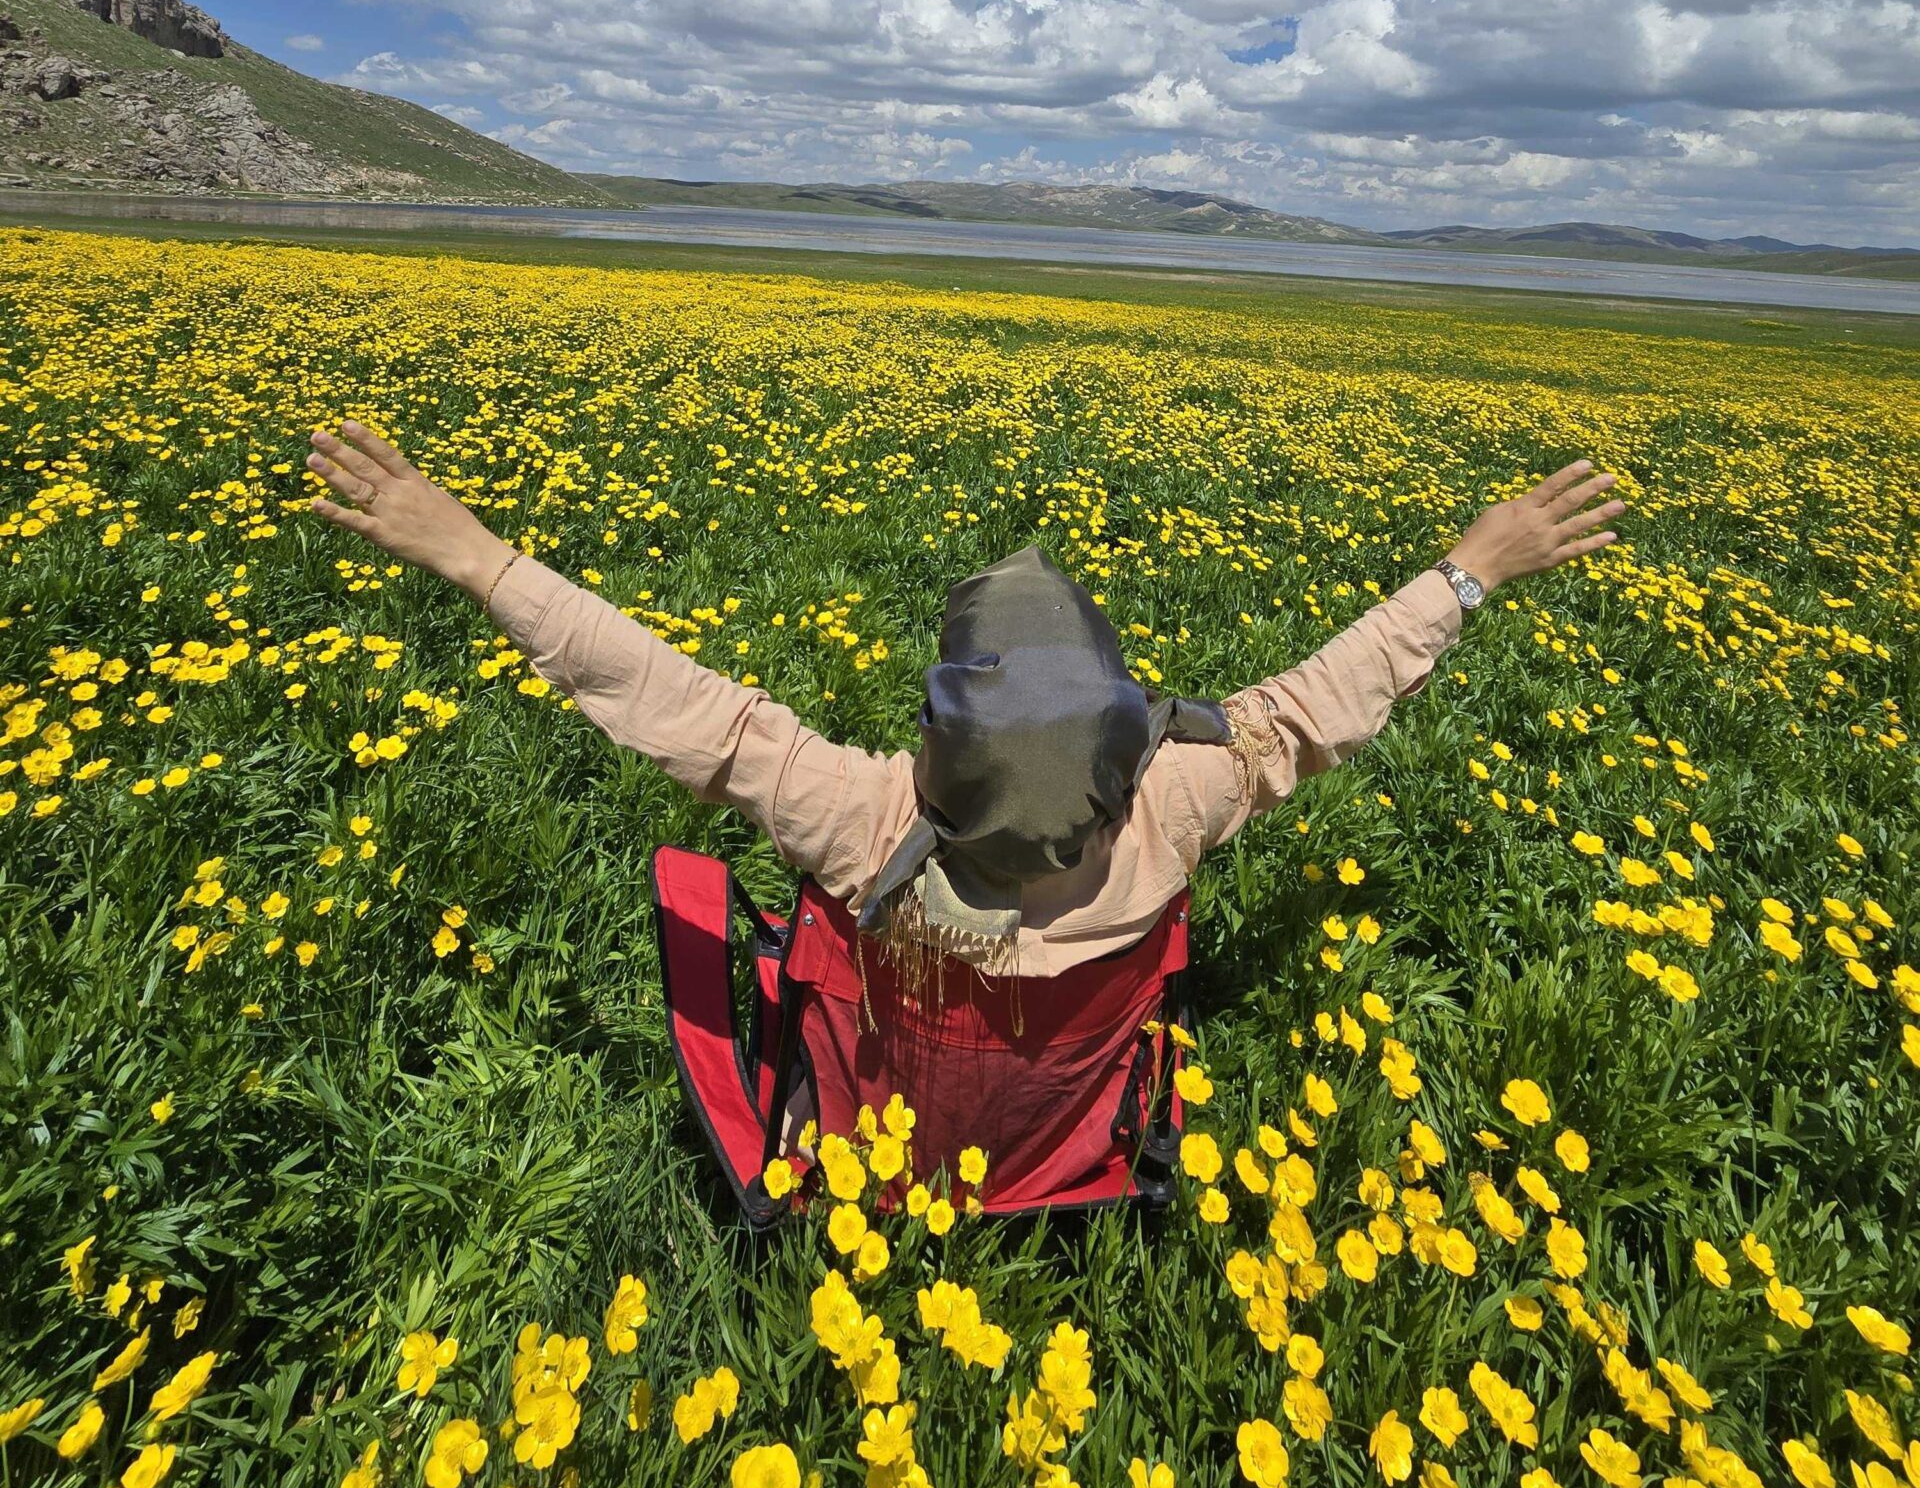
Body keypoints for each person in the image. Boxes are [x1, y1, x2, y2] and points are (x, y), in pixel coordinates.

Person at [304, 422, 1624, 977]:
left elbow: (685, 708)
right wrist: (1467, 571)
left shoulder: (860, 820)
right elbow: (1305, 712)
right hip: (1067, 1134)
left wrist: (474, 555)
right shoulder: (1174, 812)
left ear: (933, 743)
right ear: (1129, 745)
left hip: (897, 1133)